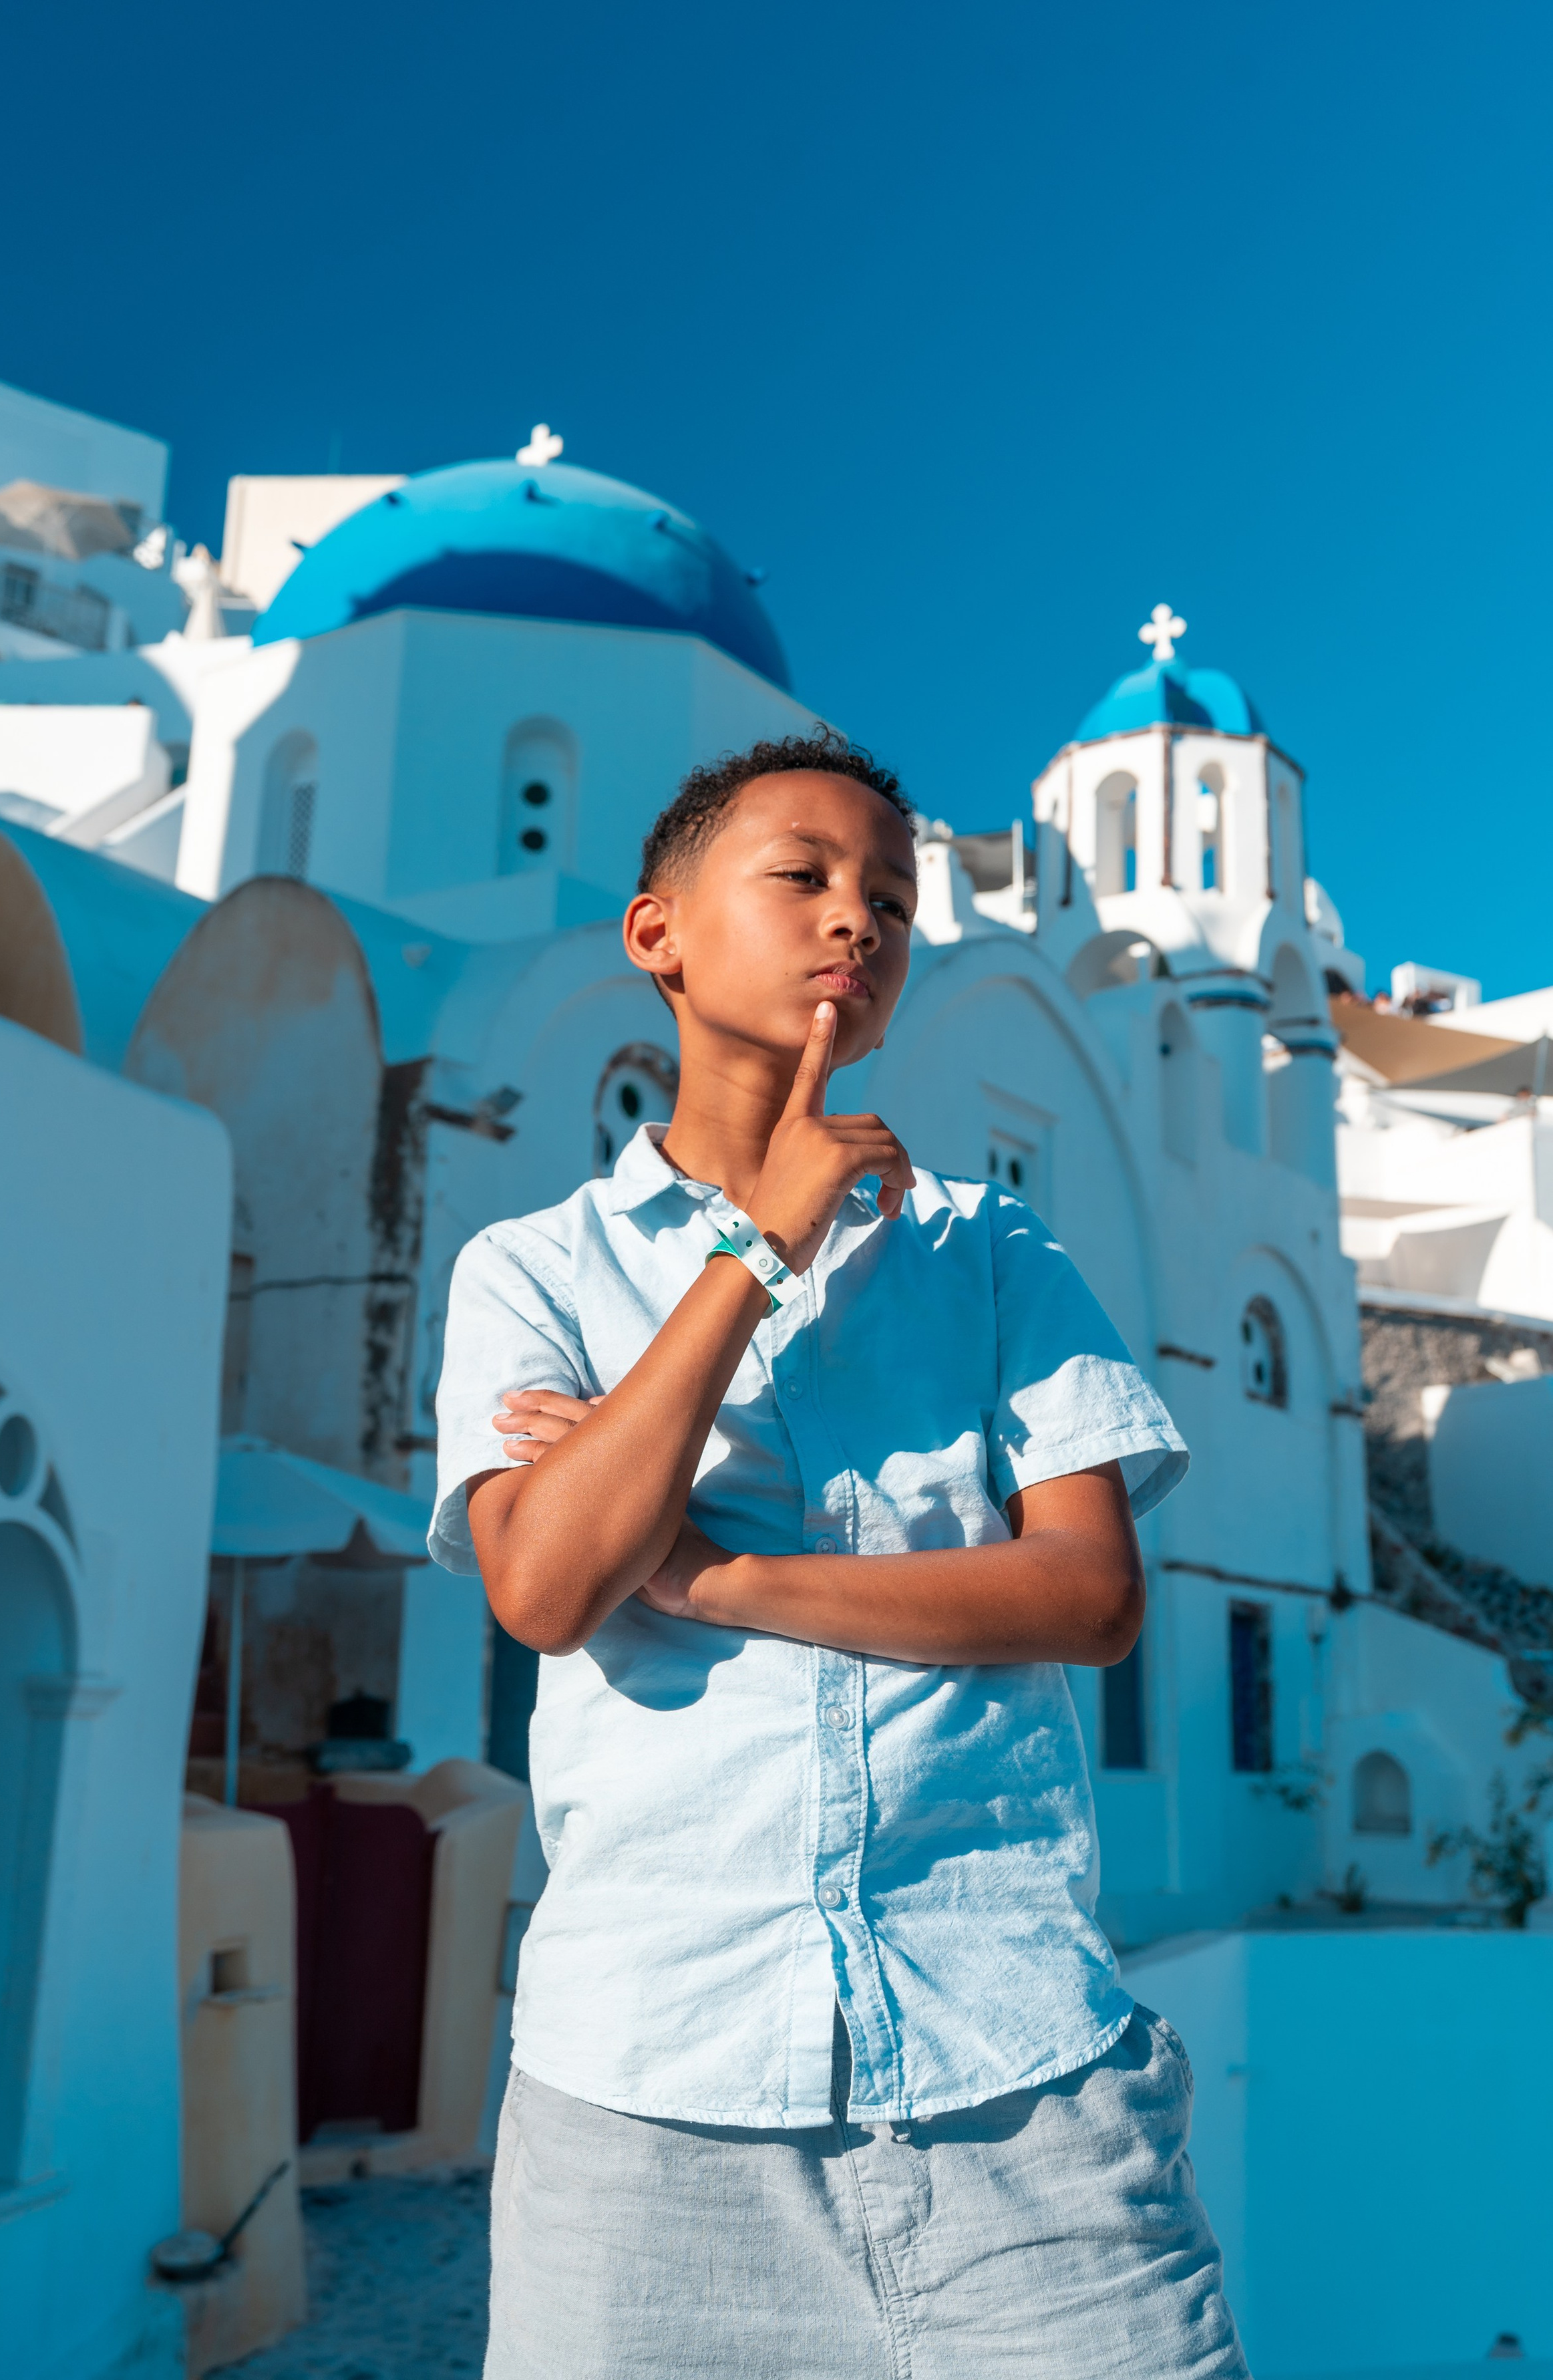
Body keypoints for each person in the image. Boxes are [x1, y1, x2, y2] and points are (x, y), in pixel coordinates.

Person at [430, 732, 1248, 2378]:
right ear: (655, 933)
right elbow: (546, 1587)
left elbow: (1084, 1597)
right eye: (801, 875)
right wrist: (756, 1243)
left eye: (890, 895)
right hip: (646, 2107)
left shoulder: (991, 1251)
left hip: (1020, 2081)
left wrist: (721, 1582)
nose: (854, 922)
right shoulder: (529, 1271)